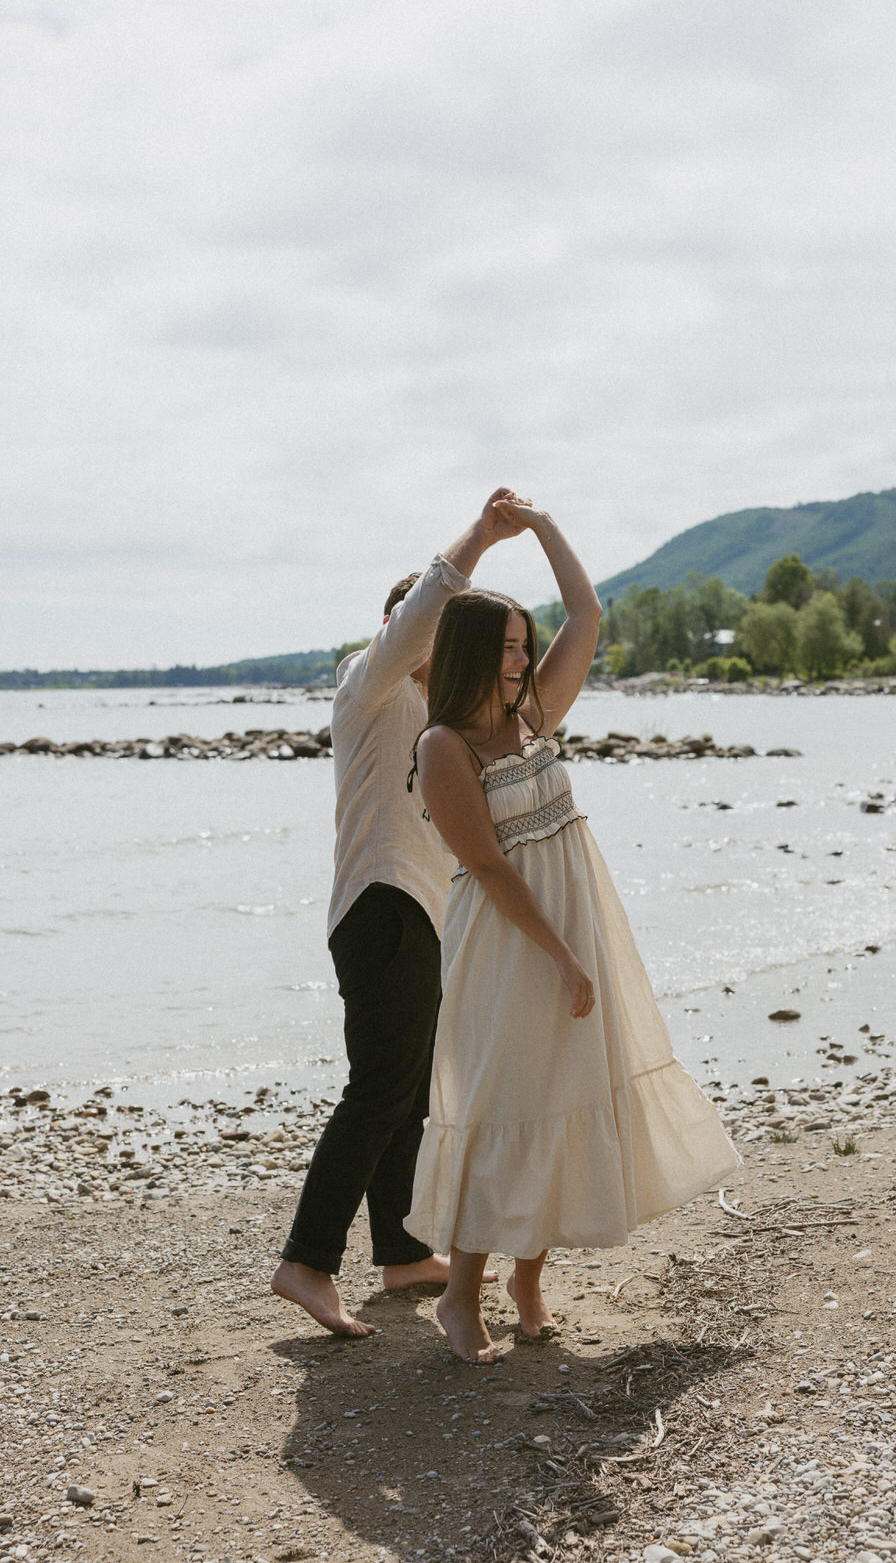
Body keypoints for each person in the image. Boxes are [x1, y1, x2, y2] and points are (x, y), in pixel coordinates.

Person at [405, 499, 740, 1363]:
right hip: (508, 943)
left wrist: (544, 527)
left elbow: (588, 614)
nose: (521, 659)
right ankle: (460, 1296)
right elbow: (486, 867)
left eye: (525, 645)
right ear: (475, 652)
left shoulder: (533, 717)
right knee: (498, 1104)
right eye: (509, 647)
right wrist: (560, 956)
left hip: (569, 929)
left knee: (559, 1096)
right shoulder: (445, 745)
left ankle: (528, 1280)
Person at [271, 489, 528, 1336]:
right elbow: (426, 606)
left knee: (410, 1088)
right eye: (419, 629)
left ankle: (404, 1252)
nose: (428, 644)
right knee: (379, 1087)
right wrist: (481, 541)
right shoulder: (368, 686)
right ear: (398, 633)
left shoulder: (439, 718)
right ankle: (306, 1262)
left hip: (421, 913)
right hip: (378, 905)